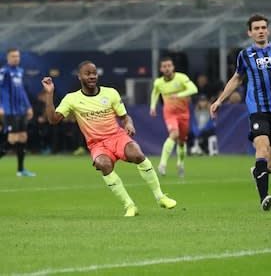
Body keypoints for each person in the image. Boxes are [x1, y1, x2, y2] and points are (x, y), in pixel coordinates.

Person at [41, 61, 176, 217]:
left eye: (94, 73)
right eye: (88, 73)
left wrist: (129, 124)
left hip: (117, 137)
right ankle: (130, 206)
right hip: (97, 144)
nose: (92, 76)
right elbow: (53, 120)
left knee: (137, 154)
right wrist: (49, 93)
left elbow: (125, 117)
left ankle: (160, 197)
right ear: (79, 76)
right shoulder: (72, 99)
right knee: (103, 164)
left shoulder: (110, 93)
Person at [210, 14, 271, 211]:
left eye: (263, 27)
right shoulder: (245, 55)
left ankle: (258, 172)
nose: (260, 31)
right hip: (258, 110)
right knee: (262, 147)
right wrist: (219, 100)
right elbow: (236, 79)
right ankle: (264, 197)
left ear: (268, 30)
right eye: (256, 28)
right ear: (250, 32)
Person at [149, 57, 198, 177]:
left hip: (184, 114)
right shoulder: (158, 82)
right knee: (174, 134)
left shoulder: (181, 78)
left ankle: (180, 164)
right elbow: (155, 92)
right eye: (164, 66)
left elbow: (194, 89)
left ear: (173, 67)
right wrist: (152, 106)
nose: (167, 68)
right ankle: (162, 164)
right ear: (161, 69)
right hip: (170, 113)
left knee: (181, 142)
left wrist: (179, 95)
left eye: (169, 66)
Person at [0, 48, 36, 176]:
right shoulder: (4, 72)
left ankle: (21, 170)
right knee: (12, 139)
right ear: (8, 57)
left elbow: (21, 91)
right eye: (13, 56)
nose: (16, 58)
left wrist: (28, 106)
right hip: (9, 110)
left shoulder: (20, 72)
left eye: (18, 56)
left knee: (22, 138)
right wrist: (1, 106)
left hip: (20, 110)